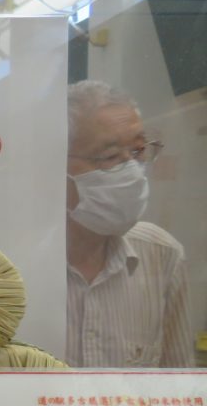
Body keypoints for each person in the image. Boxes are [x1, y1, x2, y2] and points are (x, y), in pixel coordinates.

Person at [65, 80, 194, 367]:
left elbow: (180, 386)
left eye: (138, 151)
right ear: (55, 163)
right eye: (110, 157)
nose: (132, 172)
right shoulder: (8, 265)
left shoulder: (162, 255)